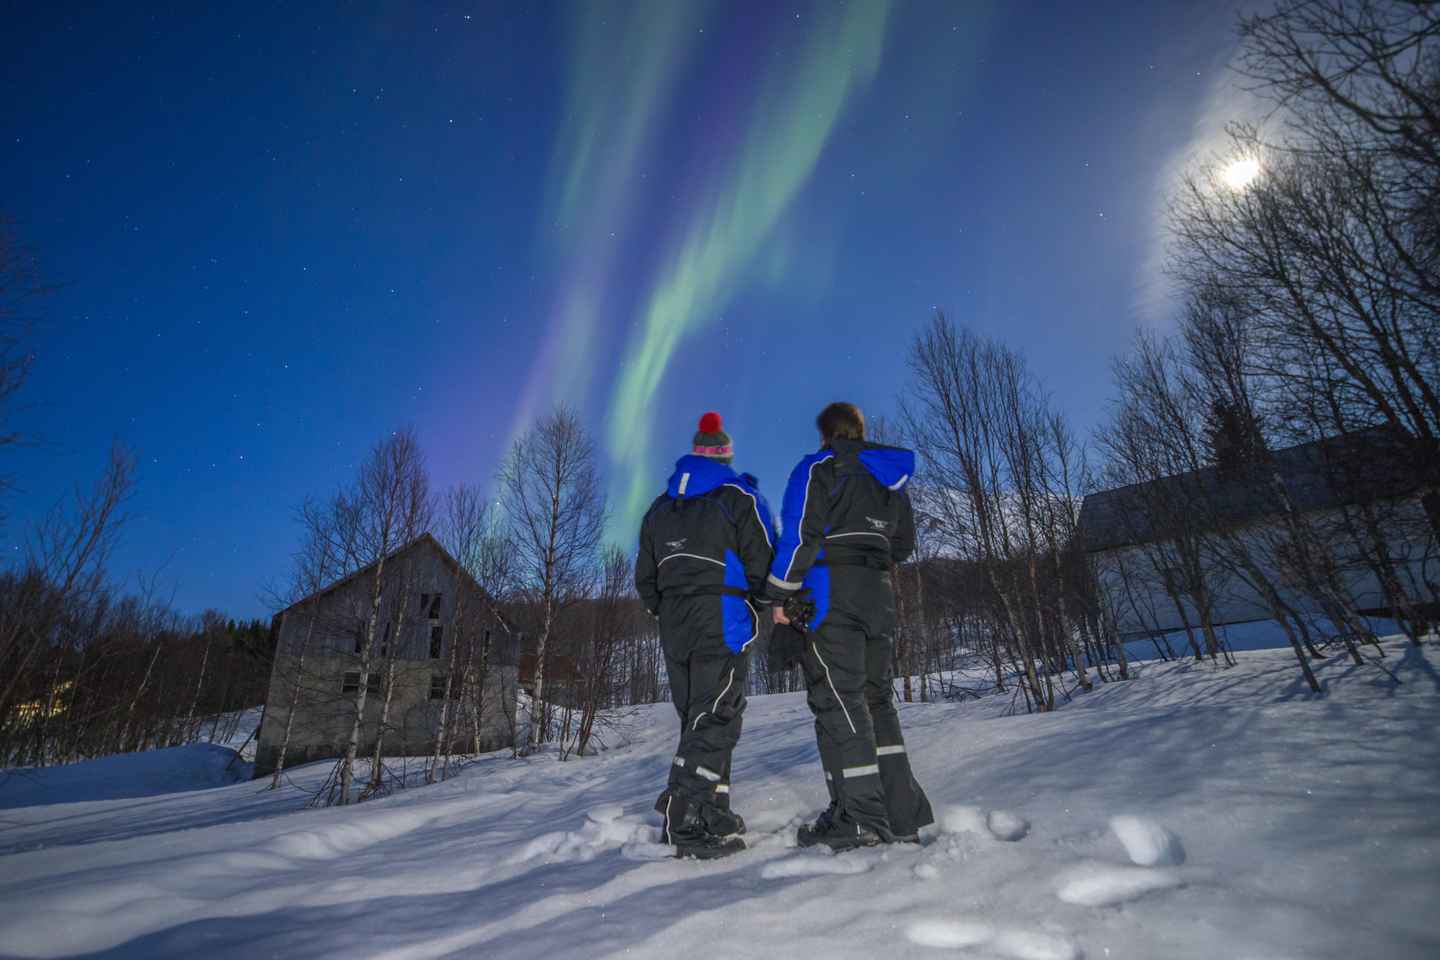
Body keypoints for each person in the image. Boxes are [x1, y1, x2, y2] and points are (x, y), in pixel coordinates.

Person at [765, 401, 934, 850]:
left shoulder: (818, 468)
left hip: (829, 592)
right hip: (878, 593)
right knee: (877, 700)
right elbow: (904, 542)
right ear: (860, 431)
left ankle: (858, 819)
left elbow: (799, 536)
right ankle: (901, 816)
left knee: (839, 700)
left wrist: (779, 596)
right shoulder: (889, 477)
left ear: (825, 435)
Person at [636, 411, 775, 859]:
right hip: (722, 612)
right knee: (717, 716)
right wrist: (764, 599)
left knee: (697, 719)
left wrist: (666, 607)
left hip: (674, 622)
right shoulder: (738, 495)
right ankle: (683, 817)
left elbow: (645, 577)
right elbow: (762, 559)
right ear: (725, 453)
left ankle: (712, 809)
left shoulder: (660, 506)